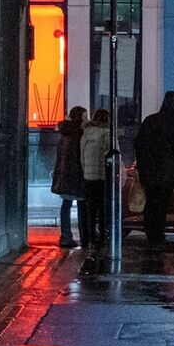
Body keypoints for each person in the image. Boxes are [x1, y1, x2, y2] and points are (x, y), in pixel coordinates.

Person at [133, 90, 174, 246]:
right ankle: (158, 233)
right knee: (162, 204)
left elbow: (138, 144)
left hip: (149, 171)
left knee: (151, 203)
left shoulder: (150, 121)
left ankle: (151, 233)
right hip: (167, 172)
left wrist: (142, 166)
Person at [51, 105, 86, 249]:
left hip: (64, 175)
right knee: (82, 205)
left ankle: (65, 236)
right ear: (79, 118)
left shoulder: (64, 132)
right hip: (76, 175)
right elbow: (79, 157)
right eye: (84, 116)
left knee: (66, 204)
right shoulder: (78, 134)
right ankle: (84, 236)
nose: (86, 119)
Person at [80, 107, 112, 250]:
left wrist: (86, 169)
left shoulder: (86, 133)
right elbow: (114, 153)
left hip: (88, 177)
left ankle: (92, 237)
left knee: (91, 209)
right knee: (104, 208)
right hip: (103, 176)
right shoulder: (108, 133)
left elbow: (82, 154)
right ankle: (103, 237)